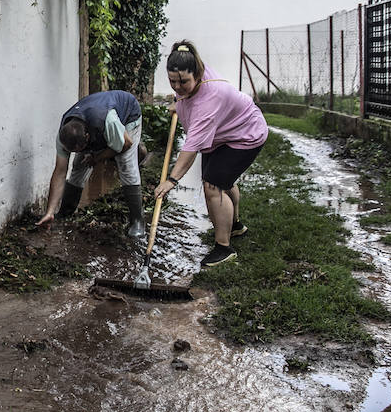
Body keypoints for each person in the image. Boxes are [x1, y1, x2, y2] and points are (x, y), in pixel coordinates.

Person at [154, 41, 268, 268]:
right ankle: (235, 226)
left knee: (213, 185)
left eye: (183, 82)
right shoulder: (195, 72)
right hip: (223, 134)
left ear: (197, 74)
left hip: (245, 135)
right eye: (172, 81)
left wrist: (171, 180)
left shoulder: (209, 100)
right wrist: (179, 101)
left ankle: (223, 248)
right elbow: (186, 98)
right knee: (222, 180)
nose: (177, 87)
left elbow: (190, 150)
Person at [36, 90, 148, 237]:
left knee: (125, 164)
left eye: (79, 149)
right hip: (97, 126)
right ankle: (64, 213)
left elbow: (125, 144)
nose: (73, 152)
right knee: (79, 165)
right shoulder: (63, 136)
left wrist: (96, 158)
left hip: (128, 116)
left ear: (87, 137)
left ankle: (137, 221)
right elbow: (60, 171)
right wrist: (50, 211)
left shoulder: (109, 121)